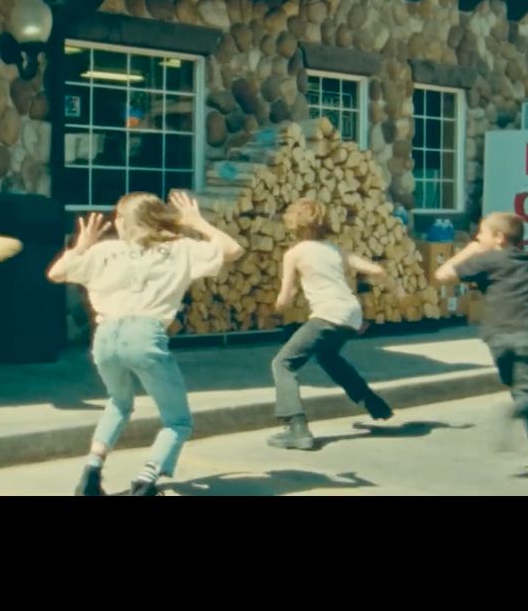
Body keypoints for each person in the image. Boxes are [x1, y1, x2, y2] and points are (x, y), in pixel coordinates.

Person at [50, 191, 244, 496]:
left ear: (123, 221)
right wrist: (198, 222)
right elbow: (233, 249)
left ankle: (91, 470)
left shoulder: (106, 251)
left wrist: (82, 246)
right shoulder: (180, 250)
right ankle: (145, 481)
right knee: (177, 421)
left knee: (119, 403)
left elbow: (57, 273)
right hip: (145, 335)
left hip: (105, 337)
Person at [267, 198, 396, 450]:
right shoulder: (335, 249)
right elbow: (377, 271)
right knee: (328, 356)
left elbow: (285, 297)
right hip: (351, 313)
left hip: (327, 314)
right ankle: (371, 401)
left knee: (282, 363)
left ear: (294, 224)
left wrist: (275, 311)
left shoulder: (293, 253)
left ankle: (297, 428)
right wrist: (390, 289)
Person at [434, 211, 528, 469]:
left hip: (498, 336)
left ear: (499, 238)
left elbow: (442, 274)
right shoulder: (525, 260)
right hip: (526, 333)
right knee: (526, 390)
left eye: (482, 233)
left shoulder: (487, 261)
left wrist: (469, 249)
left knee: (518, 390)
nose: (478, 237)